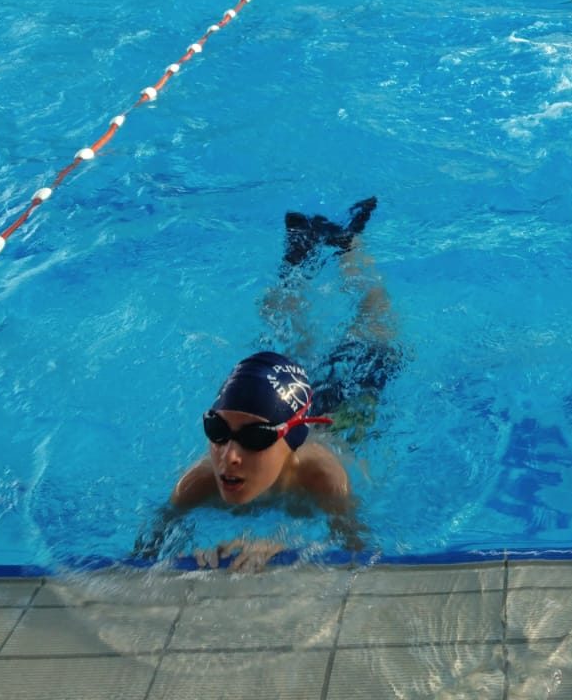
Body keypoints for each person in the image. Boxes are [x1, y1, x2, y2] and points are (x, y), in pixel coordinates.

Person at [152, 198, 397, 569]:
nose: (229, 456)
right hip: (290, 406)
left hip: (346, 413)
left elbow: (363, 559)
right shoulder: (197, 483)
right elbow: (138, 564)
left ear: (291, 440)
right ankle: (297, 257)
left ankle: (350, 245)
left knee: (373, 327)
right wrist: (186, 562)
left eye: (255, 438)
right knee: (287, 334)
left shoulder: (323, 478)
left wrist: (292, 547)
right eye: (218, 430)